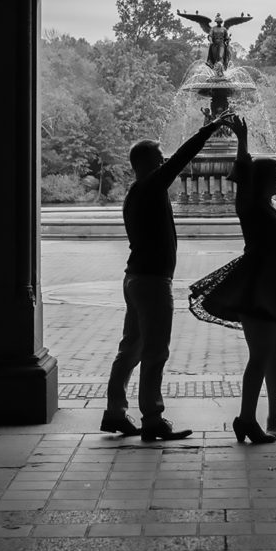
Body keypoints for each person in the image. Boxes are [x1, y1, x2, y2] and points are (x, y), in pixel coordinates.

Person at [188, 114, 276, 444]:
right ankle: (245, 419)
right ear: (262, 180)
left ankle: (273, 417)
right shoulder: (250, 206)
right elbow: (241, 170)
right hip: (255, 287)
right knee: (260, 355)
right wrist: (242, 138)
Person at [101, 113, 224, 442]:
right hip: (153, 283)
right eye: (159, 157)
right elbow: (184, 156)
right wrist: (210, 129)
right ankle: (152, 419)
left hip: (135, 278)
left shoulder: (134, 192)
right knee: (155, 352)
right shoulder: (151, 185)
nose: (165, 161)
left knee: (129, 349)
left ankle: (114, 413)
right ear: (145, 163)